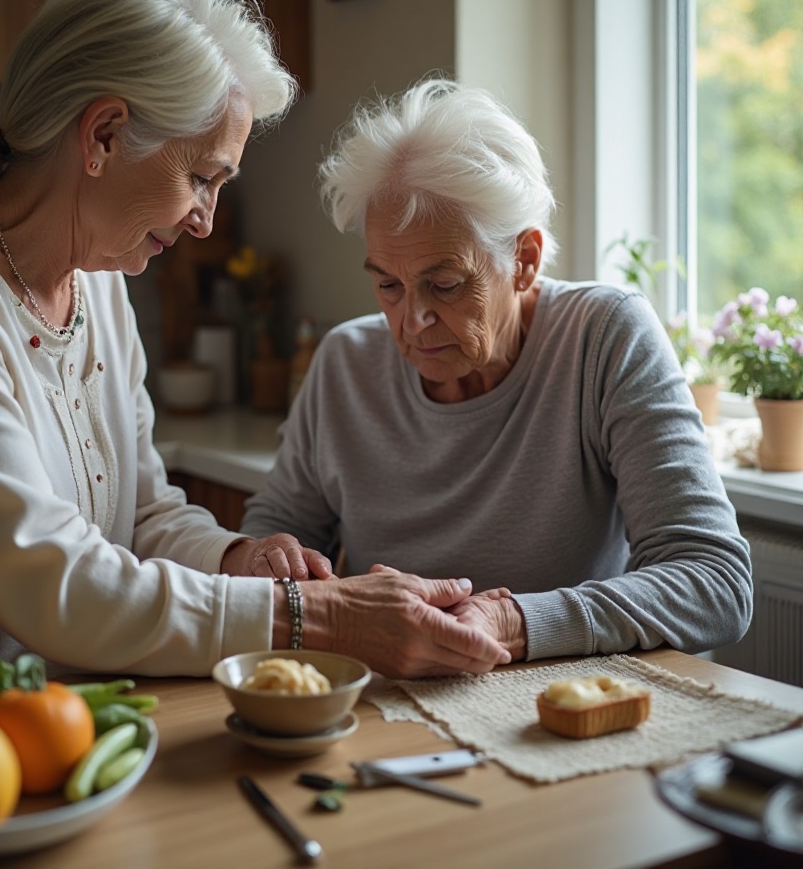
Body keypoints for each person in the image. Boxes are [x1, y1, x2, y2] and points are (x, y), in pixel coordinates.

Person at [0, 0, 512, 703]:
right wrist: (317, 616)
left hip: (28, 732)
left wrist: (239, 560)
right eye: (201, 178)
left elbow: (139, 514)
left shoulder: (97, 282)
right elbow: (55, 581)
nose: (206, 221)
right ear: (103, 134)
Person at [239, 77, 753, 662]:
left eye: (445, 284)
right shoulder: (344, 363)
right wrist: (269, 558)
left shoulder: (604, 336)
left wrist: (513, 621)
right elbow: (274, 531)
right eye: (388, 284)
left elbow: (714, 582)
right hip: (392, 694)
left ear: (524, 261)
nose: (412, 321)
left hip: (570, 697)